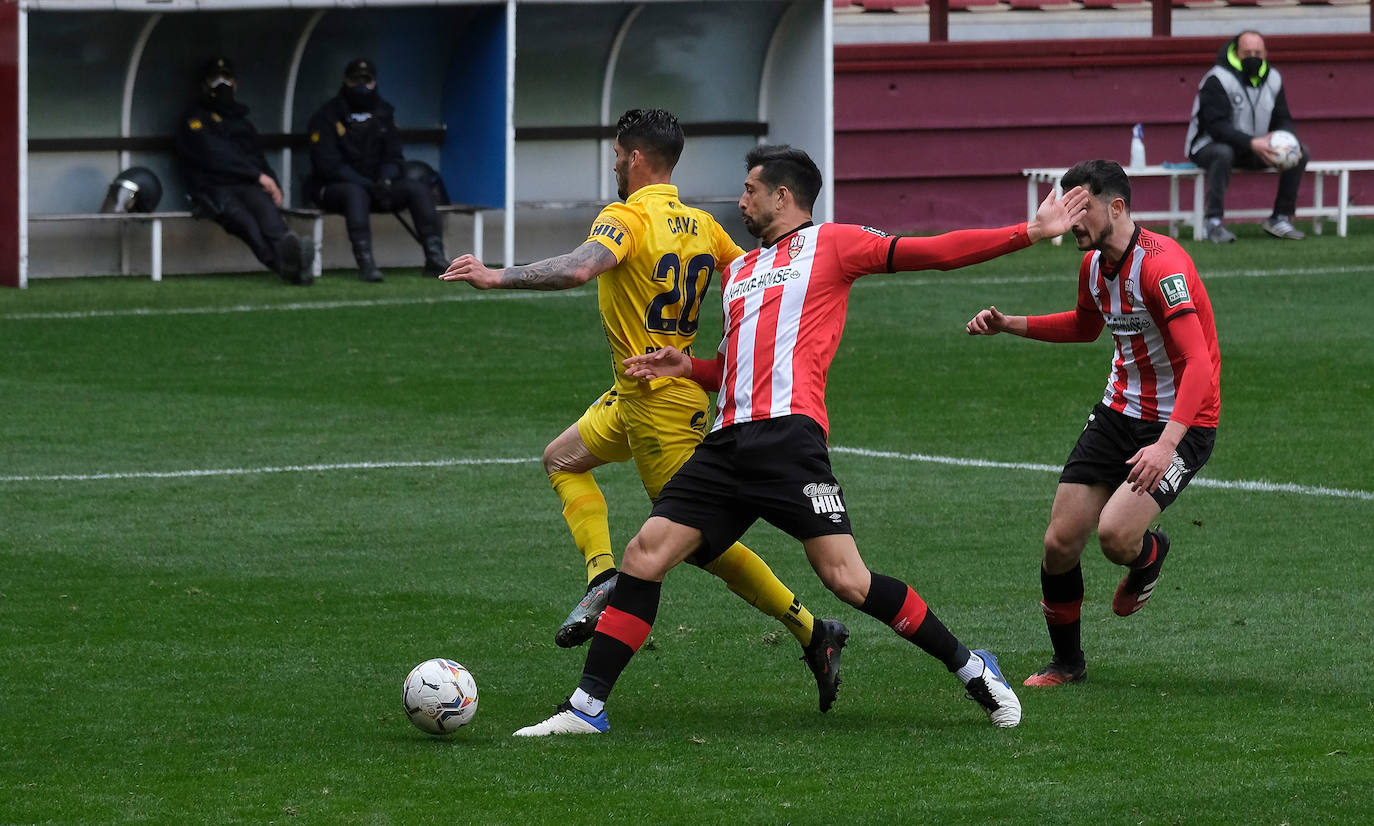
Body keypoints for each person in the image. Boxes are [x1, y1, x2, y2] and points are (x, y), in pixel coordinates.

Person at [511, 144, 1092, 737]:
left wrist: (1028, 230)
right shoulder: (737, 271)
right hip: (726, 443)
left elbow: (933, 254)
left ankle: (970, 665)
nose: (741, 201)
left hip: (790, 442)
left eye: (750, 190)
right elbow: (735, 366)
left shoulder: (834, 244)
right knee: (644, 555)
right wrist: (687, 369)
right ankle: (586, 707)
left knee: (847, 581)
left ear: (782, 197)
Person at [440, 111, 848, 712]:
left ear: (635, 159)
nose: (612, 163)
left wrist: (495, 276)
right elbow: (755, 275)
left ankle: (814, 629)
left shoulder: (625, 218)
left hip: (663, 406)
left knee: (694, 544)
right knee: (561, 459)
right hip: (633, 395)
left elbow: (579, 268)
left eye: (616, 153)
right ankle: (602, 575)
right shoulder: (706, 226)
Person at [965, 159, 1220, 688]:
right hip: (1115, 415)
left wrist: (1167, 445)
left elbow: (1198, 363)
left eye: (1079, 207)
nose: (1069, 219)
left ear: (1117, 207)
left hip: (1181, 422)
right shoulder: (1091, 266)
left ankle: (1149, 555)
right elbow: (1085, 327)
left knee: (1115, 538)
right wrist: (1009, 324)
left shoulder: (1161, 267)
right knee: (1059, 544)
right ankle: (1067, 663)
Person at [304, 58, 448, 282]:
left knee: (417, 189)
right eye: (355, 81)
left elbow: (394, 156)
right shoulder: (327, 116)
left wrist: (385, 181)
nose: (362, 86)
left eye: (367, 80)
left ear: (374, 82)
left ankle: (435, 258)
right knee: (355, 193)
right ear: (346, 82)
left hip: (378, 186)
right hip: (334, 188)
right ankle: (366, 263)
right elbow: (328, 165)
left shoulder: (383, 113)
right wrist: (368, 185)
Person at [175, 57, 315, 286]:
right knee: (248, 226)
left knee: (271, 221)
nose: (223, 83)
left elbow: (257, 158)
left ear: (236, 83)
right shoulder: (194, 120)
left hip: (247, 185)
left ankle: (294, 258)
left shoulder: (242, 122)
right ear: (204, 84)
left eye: (227, 78)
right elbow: (216, 156)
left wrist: (274, 185)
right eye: (215, 79)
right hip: (213, 189)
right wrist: (259, 177)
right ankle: (288, 268)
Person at [1185, 30, 1309, 243]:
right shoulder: (1217, 78)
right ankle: (1212, 222)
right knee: (1223, 153)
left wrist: (1284, 139)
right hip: (1209, 146)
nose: (1253, 56)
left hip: (1255, 146)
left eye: (1258, 52)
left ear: (1265, 53)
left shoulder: (1273, 78)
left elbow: (1283, 119)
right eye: (1247, 52)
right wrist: (1252, 143)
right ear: (1236, 52)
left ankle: (1280, 217)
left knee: (1299, 151)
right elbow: (1217, 127)